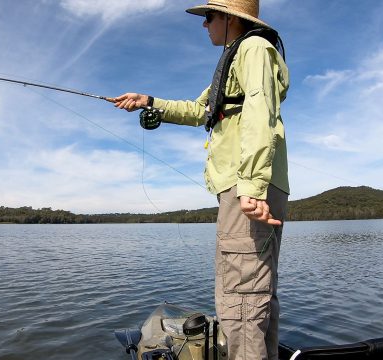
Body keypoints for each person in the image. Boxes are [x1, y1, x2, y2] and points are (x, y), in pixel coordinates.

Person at [112, 1, 289, 359]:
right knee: (255, 294)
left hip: (246, 186)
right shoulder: (238, 56)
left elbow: (260, 111)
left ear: (229, 18)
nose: (204, 24)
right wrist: (149, 101)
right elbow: (199, 111)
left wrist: (252, 187)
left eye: (208, 16)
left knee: (239, 302)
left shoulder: (254, 48)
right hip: (244, 186)